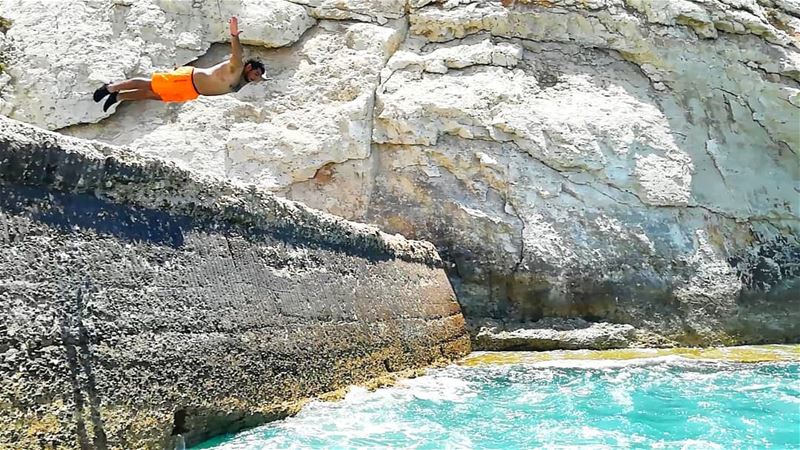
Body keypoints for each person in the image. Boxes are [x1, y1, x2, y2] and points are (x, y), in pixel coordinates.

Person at [93, 16, 265, 111]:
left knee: (152, 95)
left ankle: (118, 97)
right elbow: (237, 53)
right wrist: (234, 35)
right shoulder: (236, 69)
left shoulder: (241, 82)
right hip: (187, 79)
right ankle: (110, 88)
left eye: (259, 78)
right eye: (256, 74)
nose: (256, 79)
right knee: (151, 85)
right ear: (249, 67)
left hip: (190, 91)